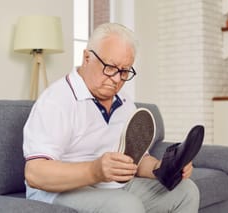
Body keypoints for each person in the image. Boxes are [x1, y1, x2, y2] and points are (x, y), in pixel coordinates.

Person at [23, 23, 200, 213]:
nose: (117, 79)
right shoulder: (57, 100)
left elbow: (137, 161)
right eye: (110, 67)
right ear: (87, 57)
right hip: (57, 192)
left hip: (111, 186)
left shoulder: (124, 103)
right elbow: (35, 173)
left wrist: (162, 168)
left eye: (124, 71)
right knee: (126, 206)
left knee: (186, 191)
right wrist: (95, 171)